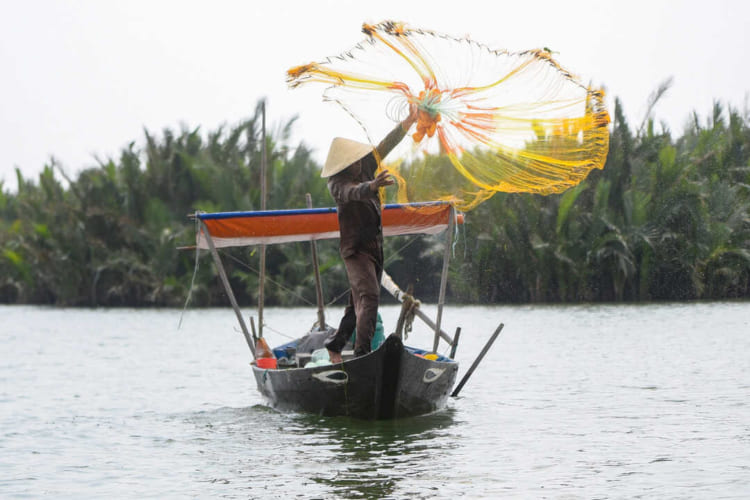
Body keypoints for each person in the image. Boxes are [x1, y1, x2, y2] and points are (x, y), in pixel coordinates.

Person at [323, 108, 417, 363]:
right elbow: (355, 192)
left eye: (358, 160)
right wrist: (372, 186)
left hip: (375, 248)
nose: (358, 163)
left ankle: (335, 344)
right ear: (343, 165)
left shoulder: (365, 166)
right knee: (370, 296)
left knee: (357, 305)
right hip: (356, 251)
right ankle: (363, 355)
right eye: (352, 161)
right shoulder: (337, 183)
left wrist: (407, 123)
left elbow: (385, 145)